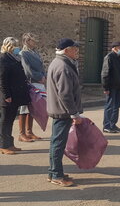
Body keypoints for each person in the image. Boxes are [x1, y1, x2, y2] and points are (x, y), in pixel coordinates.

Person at [47, 38, 83, 187]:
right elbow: (65, 94)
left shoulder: (61, 63)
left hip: (60, 110)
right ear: (67, 50)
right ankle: (56, 174)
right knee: (58, 144)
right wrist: (74, 113)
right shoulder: (63, 66)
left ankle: (54, 172)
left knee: (57, 142)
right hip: (63, 111)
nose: (77, 51)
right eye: (74, 49)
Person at [0, 37, 30, 155]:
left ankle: (10, 144)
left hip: (15, 95)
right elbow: (2, 80)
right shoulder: (3, 59)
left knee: (10, 120)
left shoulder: (14, 58)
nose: (17, 48)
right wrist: (7, 95)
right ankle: (3, 145)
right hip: (7, 96)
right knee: (4, 121)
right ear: (9, 46)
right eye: (15, 46)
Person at [19, 32, 46, 141]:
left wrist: (44, 76)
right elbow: (27, 70)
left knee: (33, 108)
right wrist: (39, 77)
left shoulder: (35, 52)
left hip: (38, 82)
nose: (35, 42)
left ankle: (29, 132)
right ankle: (22, 134)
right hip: (30, 83)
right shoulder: (23, 53)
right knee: (25, 108)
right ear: (27, 41)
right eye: (33, 40)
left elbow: (41, 66)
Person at [101, 41, 120, 133]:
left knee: (116, 105)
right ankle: (107, 125)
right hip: (111, 86)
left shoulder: (119, 57)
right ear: (115, 48)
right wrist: (105, 87)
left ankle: (113, 124)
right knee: (110, 106)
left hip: (118, 85)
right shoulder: (109, 57)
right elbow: (105, 73)